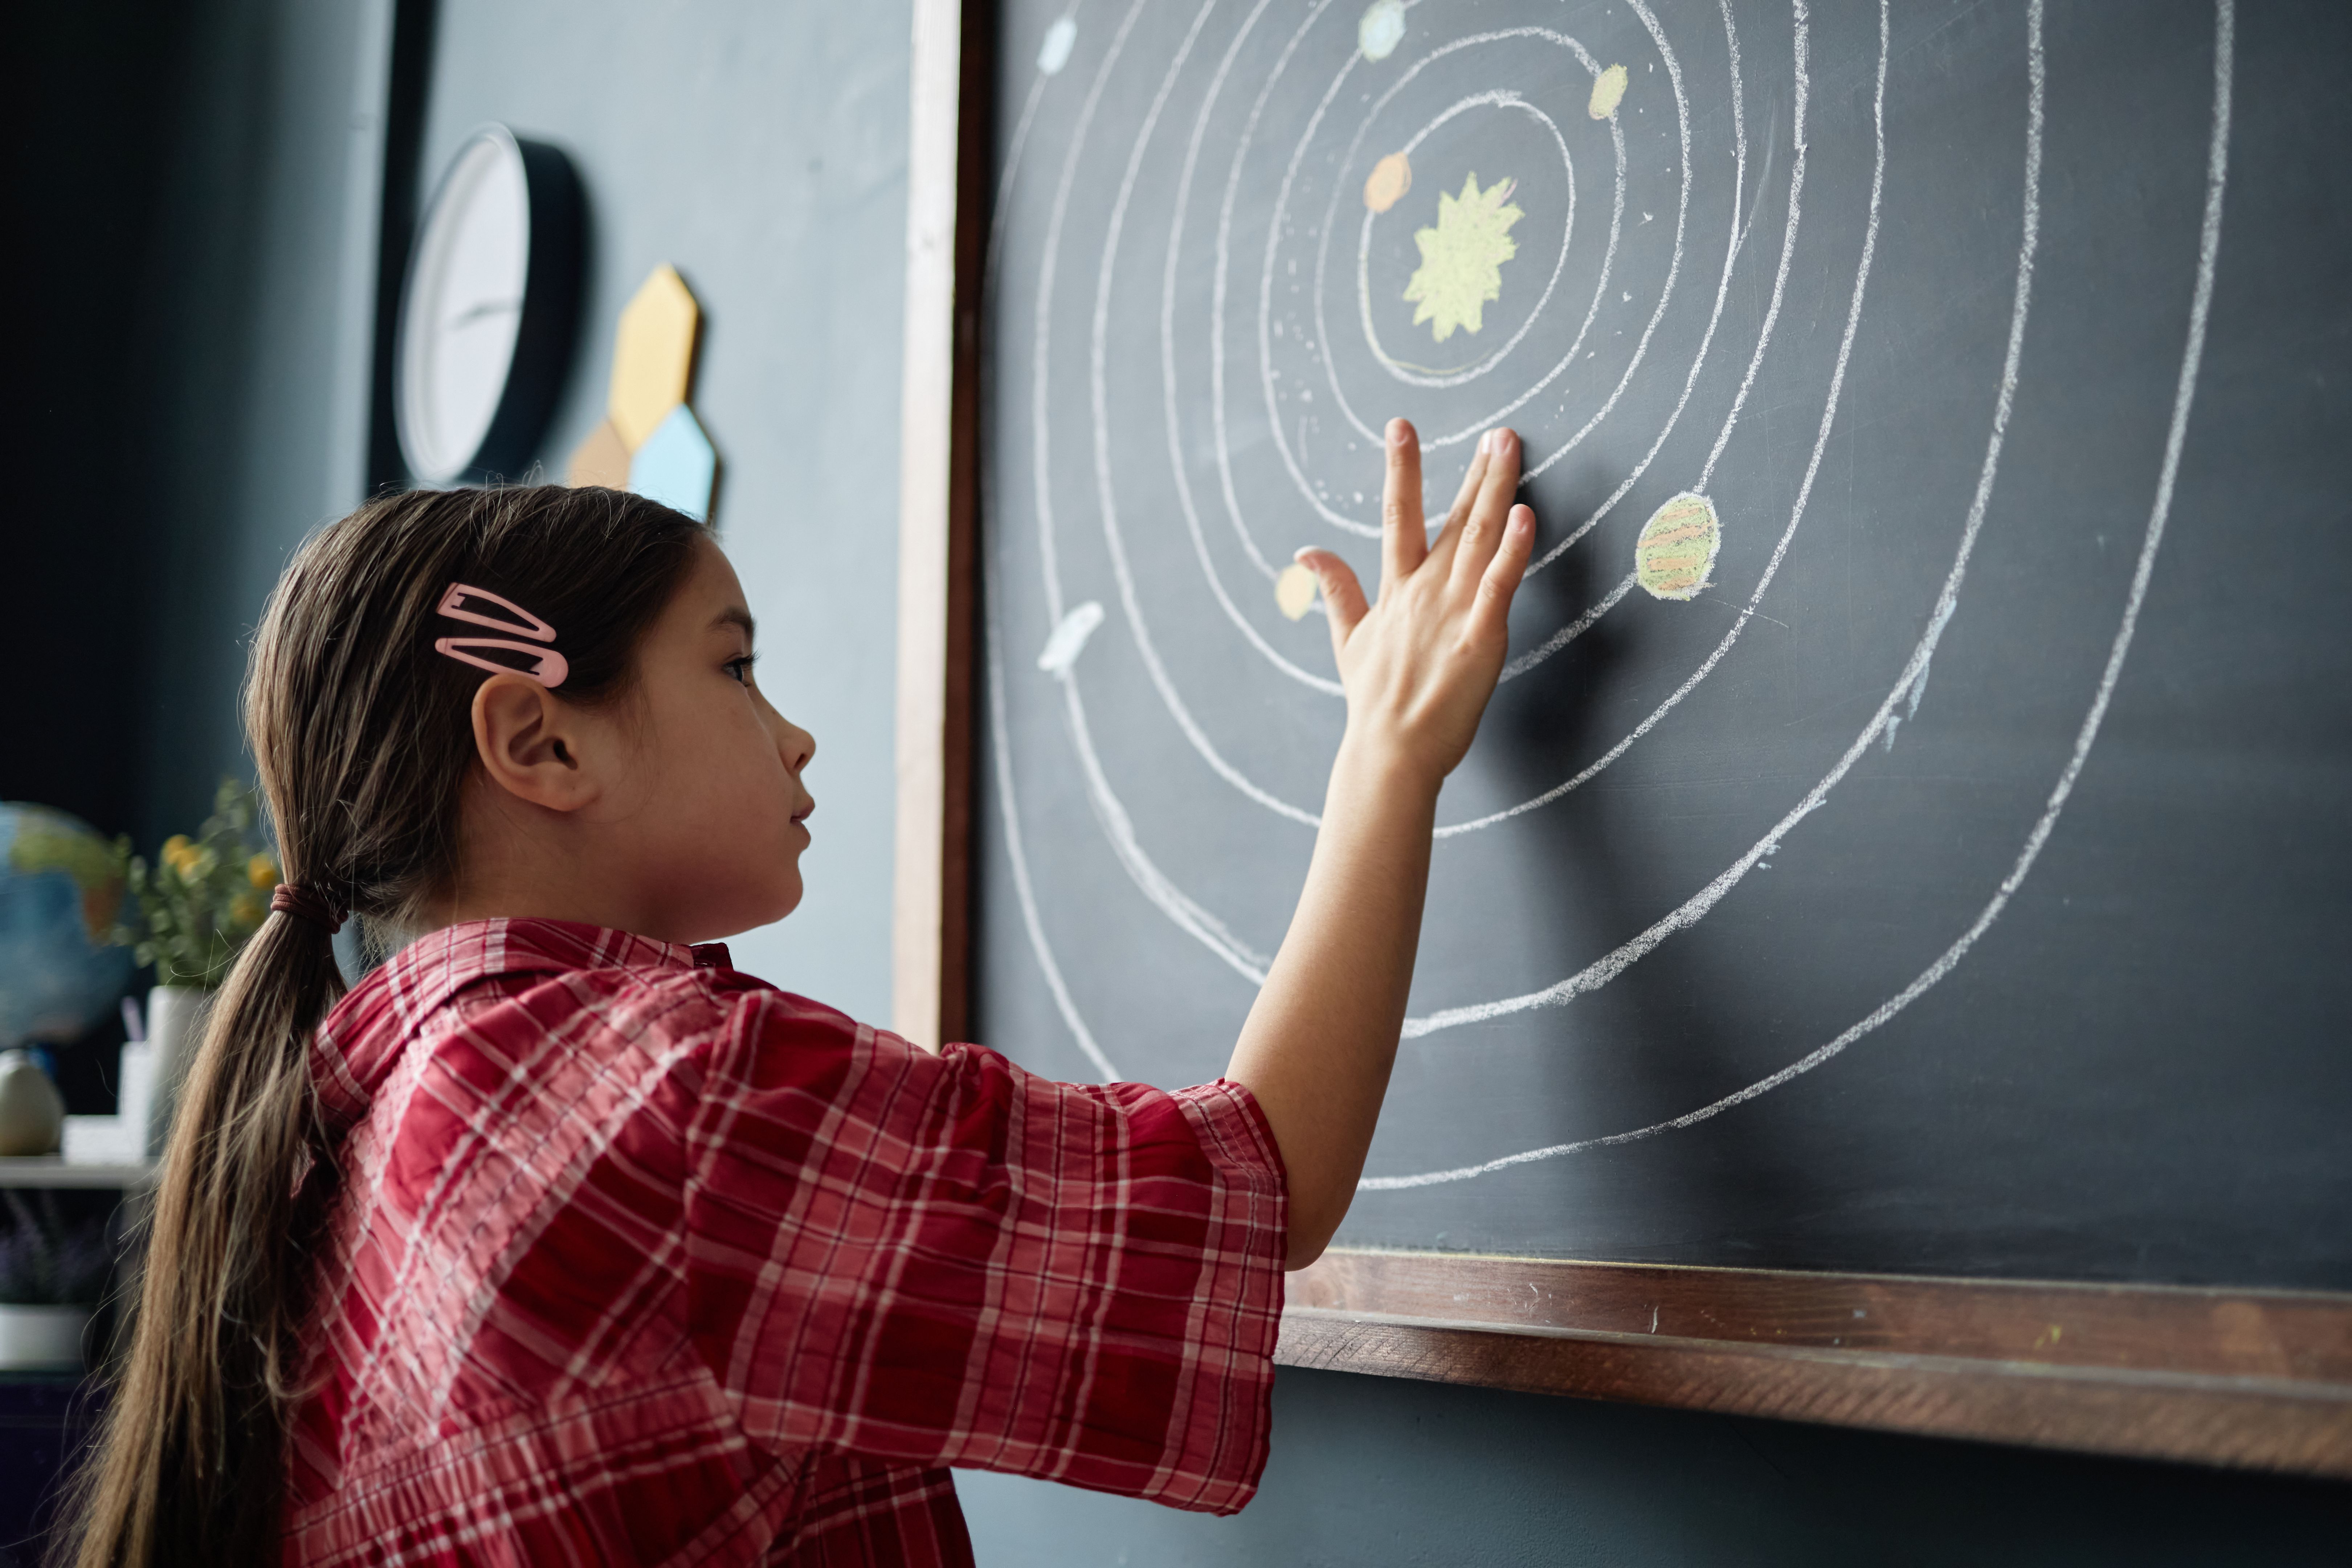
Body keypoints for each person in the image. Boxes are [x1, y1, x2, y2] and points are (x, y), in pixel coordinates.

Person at [62, 420, 1535, 1565]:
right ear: (542, 744)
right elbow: (1252, 1188)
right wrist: (1387, 758)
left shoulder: (370, 1107)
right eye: (737, 667)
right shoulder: (666, 1101)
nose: (801, 738)